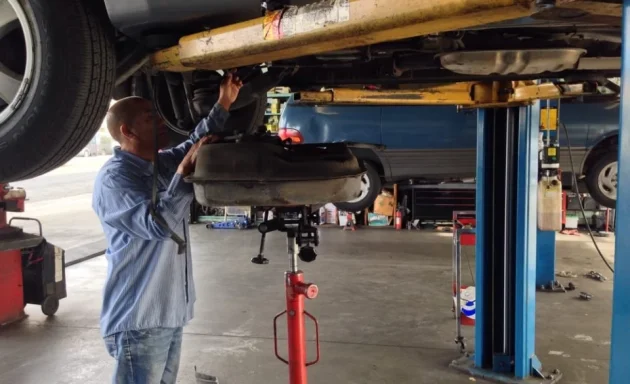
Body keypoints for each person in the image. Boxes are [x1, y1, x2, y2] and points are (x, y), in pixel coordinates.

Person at [92, 73, 243, 383]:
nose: (161, 120)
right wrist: (185, 176)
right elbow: (158, 224)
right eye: (150, 117)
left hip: (167, 313)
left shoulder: (157, 163)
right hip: (141, 318)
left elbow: (194, 143)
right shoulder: (115, 179)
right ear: (127, 131)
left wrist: (223, 103)